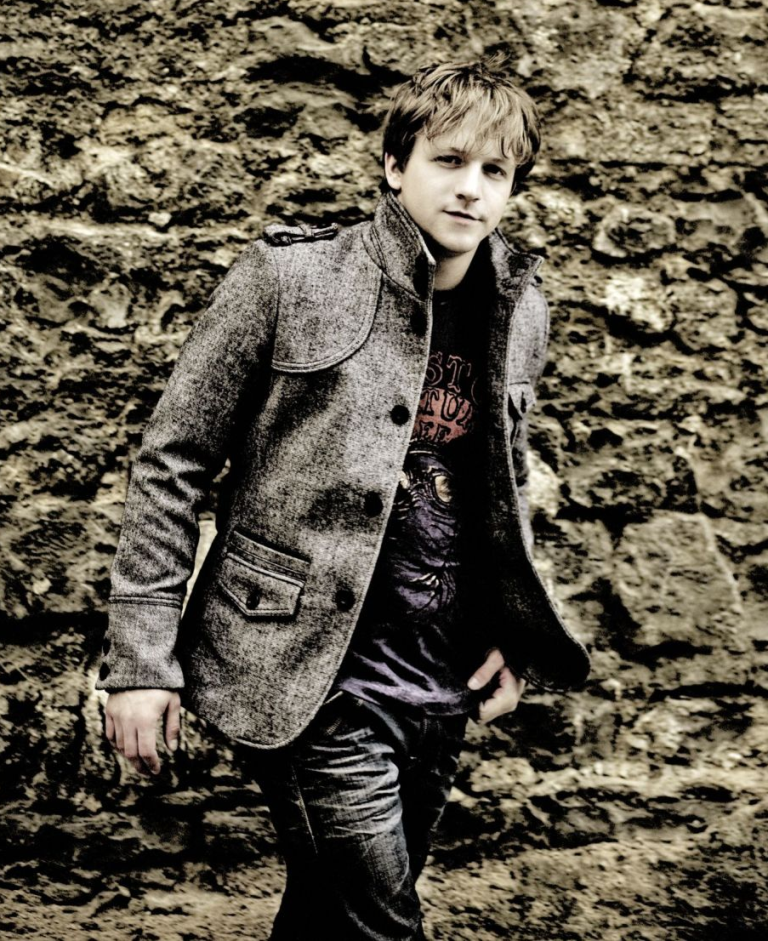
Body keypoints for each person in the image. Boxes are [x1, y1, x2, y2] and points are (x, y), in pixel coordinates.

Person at [97, 52, 590, 940]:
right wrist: (140, 662)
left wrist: (510, 627)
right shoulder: (290, 278)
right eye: (449, 160)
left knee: (330, 920)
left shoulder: (523, 307)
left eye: (495, 171)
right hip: (309, 677)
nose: (471, 188)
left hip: (438, 678)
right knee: (382, 925)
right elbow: (173, 460)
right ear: (395, 165)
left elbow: (499, 489)